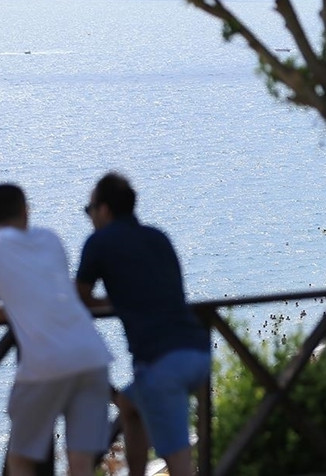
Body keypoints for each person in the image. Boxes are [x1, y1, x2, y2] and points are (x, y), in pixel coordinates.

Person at [0, 184, 113, 476]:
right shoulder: (50, 239)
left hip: (46, 362)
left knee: (21, 460)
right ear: (26, 210)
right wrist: (21, 306)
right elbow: (47, 290)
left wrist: (15, 312)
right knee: (81, 463)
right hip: (92, 355)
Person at [77, 172, 211, 476]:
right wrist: (123, 300)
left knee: (179, 464)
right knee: (128, 404)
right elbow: (168, 290)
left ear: (104, 210)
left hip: (162, 365)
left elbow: (80, 298)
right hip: (197, 351)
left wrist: (112, 302)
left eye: (89, 210)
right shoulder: (158, 237)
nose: (90, 217)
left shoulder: (99, 242)